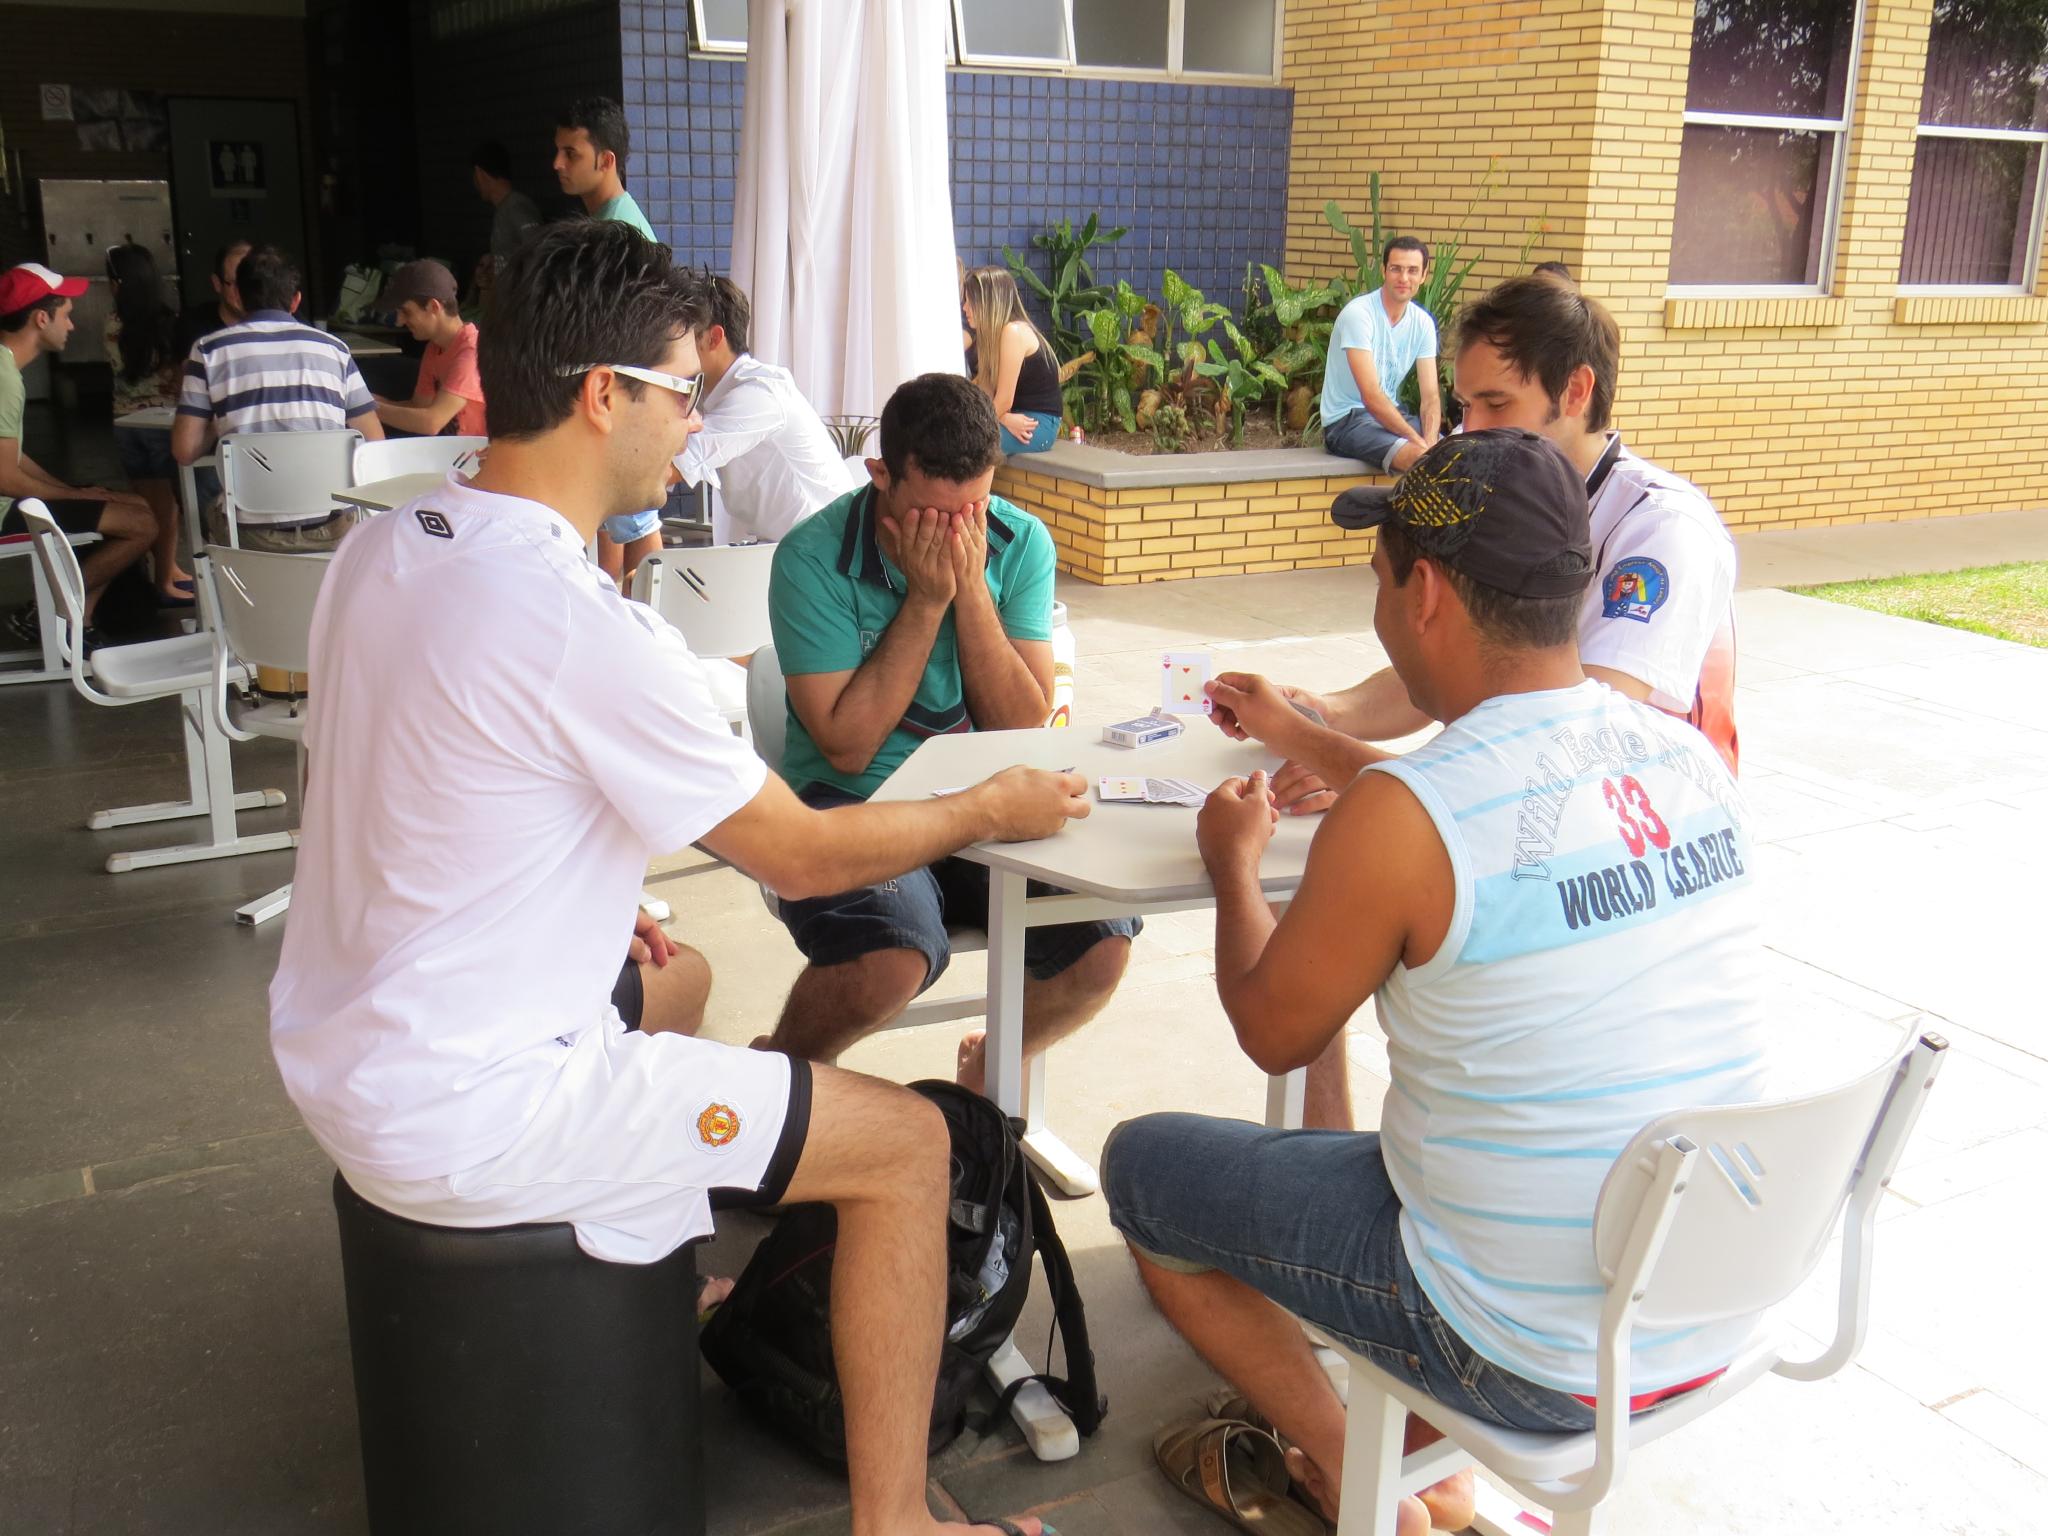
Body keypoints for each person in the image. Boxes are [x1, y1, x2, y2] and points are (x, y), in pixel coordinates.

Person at [269, 219, 1073, 1536]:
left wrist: (587, 904)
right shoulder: (579, 621)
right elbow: (802, 848)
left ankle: (658, 1270)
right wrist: (989, 804)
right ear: (603, 393)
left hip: (347, 1049)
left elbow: (405, 787)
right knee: (910, 1149)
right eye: (682, 393)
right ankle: (900, 1525)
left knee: (681, 978)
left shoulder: (389, 543)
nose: (693, 427)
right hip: (481, 1108)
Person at [1103, 429, 1769, 1536]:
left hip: (1525, 1347)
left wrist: (1232, 867)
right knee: (1401, 1155)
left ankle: (1360, 1478)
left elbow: (1271, 1029)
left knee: (1143, 1170)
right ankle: (1417, 1465)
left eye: (1376, 577)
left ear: (1423, 596)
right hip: (1712, 1295)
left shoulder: (1410, 811)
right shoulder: (1691, 759)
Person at [1212, 273, 1741, 1129]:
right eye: (1462, 407)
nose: (1470, 431)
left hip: (1620, 843)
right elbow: (1477, 661)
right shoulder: (1517, 499)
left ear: (1576, 392)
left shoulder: (1660, 529)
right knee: (1332, 923)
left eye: (1496, 404)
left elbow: (1554, 756)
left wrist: (1358, 780)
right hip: (1694, 1160)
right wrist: (1328, 714)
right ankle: (1328, 1143)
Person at [762, 372, 1135, 1088]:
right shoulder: (812, 558)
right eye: (933, 514)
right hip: (857, 801)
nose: (959, 532)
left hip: (990, 796)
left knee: (1101, 945)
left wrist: (969, 593)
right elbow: (847, 747)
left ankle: (992, 1064)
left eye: (975, 508)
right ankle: (777, 1076)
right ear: (881, 476)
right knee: (889, 959)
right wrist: (926, 602)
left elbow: (1022, 724)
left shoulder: (1019, 542)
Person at [172, 244, 385, 553]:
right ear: (296, 300)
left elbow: (184, 451)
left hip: (249, 533)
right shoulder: (335, 349)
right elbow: (374, 442)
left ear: (238, 296)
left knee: (212, 509)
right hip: (332, 529)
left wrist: (221, 424)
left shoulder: (208, 350)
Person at [0, 263, 154, 645]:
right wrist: (73, 496)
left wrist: (73, 490)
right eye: (66, 315)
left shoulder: (6, 368)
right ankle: (50, 610)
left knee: (133, 505)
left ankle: (77, 623)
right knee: (141, 524)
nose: (71, 325)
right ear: (41, 318)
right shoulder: (4, 378)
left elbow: (13, 457)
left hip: (7, 503)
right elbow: (5, 476)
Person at [674, 270, 858, 544]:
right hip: (787, 548)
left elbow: (675, 463)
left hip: (827, 550)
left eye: (683, 336)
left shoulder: (760, 393)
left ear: (714, 338)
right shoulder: (711, 392)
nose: (673, 347)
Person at [103, 242, 193, 604]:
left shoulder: (113, 323)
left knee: (146, 501)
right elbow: (179, 376)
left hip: (125, 422)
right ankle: (164, 581)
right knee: (167, 506)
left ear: (119, 283)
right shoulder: (168, 322)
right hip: (162, 423)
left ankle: (167, 570)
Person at [1321, 236, 1440, 473]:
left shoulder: (1423, 323)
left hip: (1392, 415)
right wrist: (1419, 444)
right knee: (1420, 458)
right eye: (1396, 269)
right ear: (1384, 271)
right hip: (1347, 421)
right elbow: (1371, 396)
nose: (1404, 278)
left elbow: (1431, 398)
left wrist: (1431, 442)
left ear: (1424, 275)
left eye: (1412, 270)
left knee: (1455, 454)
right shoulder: (1359, 314)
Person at [373, 259, 487, 438]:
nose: (399, 321)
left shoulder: (471, 351)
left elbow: (431, 422)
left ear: (434, 306)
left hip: (479, 454)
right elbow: (419, 407)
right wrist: (371, 401)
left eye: (406, 312)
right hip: (449, 450)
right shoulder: (434, 347)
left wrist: (367, 409)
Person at [961, 266, 1062, 455]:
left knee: (966, 442)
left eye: (970, 301)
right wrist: (1005, 419)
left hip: (1035, 424)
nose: (965, 308)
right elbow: (986, 395)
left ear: (989, 302)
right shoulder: (989, 337)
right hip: (1011, 417)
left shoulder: (1014, 332)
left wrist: (999, 416)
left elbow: (1004, 401)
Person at [553, 96, 655, 239]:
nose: (557, 163)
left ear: (606, 161)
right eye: (558, 151)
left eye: (570, 154)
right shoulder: (613, 222)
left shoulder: (616, 236)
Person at [172, 236, 253, 365]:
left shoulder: (279, 324)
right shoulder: (194, 328)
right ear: (217, 284)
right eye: (234, 283)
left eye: (251, 282)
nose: (245, 290)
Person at [472, 140, 542, 280]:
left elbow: (538, 254)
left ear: (479, 173)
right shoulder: (505, 208)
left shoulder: (517, 207)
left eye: (474, 176)